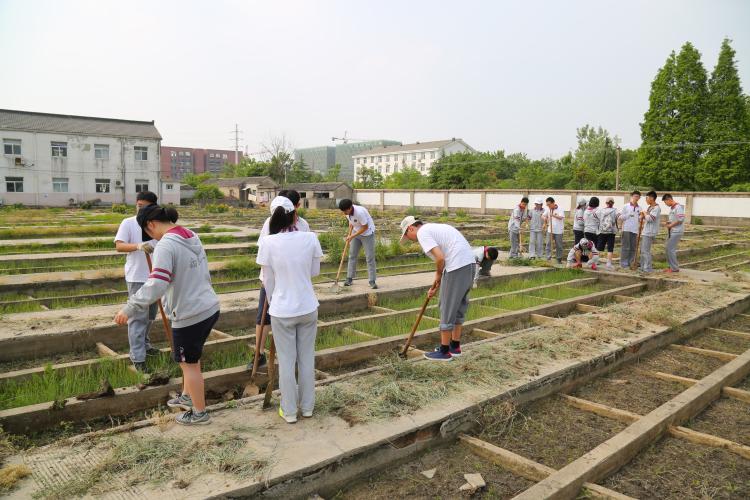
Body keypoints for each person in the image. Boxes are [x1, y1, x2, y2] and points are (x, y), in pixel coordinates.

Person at [115, 205, 220, 426]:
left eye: (148, 233)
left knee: (188, 364)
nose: (151, 238)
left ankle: (199, 413)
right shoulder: (191, 234)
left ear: (151, 224)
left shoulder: (166, 245)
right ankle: (187, 395)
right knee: (192, 357)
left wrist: (130, 307)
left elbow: (156, 284)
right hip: (208, 306)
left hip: (189, 313)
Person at [257, 196, 323, 423]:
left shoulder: (268, 242)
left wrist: (276, 300)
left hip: (282, 310)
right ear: (295, 215)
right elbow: (314, 272)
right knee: (306, 358)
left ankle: (290, 411)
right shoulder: (310, 237)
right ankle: (307, 408)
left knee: (286, 362)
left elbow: (268, 281)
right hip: (307, 306)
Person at [249, 189, 310, 370]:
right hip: (272, 279)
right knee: (264, 317)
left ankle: (294, 358)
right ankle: (258, 353)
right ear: (295, 206)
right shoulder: (270, 222)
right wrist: (267, 279)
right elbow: (263, 250)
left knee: (292, 317)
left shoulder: (303, 225)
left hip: (294, 280)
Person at [400, 216, 474, 361]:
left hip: (457, 267)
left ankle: (444, 351)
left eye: (407, 236)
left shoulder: (423, 232)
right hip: (469, 265)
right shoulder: (435, 228)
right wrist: (437, 283)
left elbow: (440, 258)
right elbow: (446, 258)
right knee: (458, 307)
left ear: (411, 228)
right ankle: (455, 346)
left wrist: (438, 276)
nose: (410, 239)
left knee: (446, 306)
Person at [114, 191, 160, 372]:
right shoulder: (129, 223)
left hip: (156, 276)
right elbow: (119, 245)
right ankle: (138, 357)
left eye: (145, 206)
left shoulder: (156, 224)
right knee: (138, 318)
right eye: (139, 206)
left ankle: (145, 345)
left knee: (150, 316)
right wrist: (138, 246)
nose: (141, 209)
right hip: (137, 276)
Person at [338, 199, 377, 289]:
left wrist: (352, 236)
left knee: (369, 257)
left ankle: (372, 281)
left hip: (367, 234)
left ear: (350, 207)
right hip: (356, 233)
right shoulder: (347, 213)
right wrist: (349, 234)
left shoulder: (359, 212)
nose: (344, 213)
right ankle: (349, 278)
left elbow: (365, 227)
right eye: (343, 211)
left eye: (345, 210)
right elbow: (351, 223)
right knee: (352, 255)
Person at [662, 193, 685, 273]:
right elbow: (675, 219)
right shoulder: (672, 208)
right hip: (672, 231)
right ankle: (670, 267)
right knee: (668, 248)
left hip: (676, 231)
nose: (666, 204)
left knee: (670, 249)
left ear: (669, 199)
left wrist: (671, 225)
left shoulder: (678, 207)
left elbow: (680, 219)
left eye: (665, 202)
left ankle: (674, 268)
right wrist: (668, 222)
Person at [639, 191, 661, 273]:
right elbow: (646, 218)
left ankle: (647, 268)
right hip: (646, 231)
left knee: (645, 251)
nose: (646, 200)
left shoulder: (656, 208)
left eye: (647, 198)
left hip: (650, 232)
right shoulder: (650, 207)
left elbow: (650, 219)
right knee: (643, 250)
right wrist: (642, 215)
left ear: (652, 198)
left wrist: (644, 213)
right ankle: (642, 266)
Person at [618, 191, 642, 269]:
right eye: (635, 196)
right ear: (632, 196)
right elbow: (620, 217)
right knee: (625, 247)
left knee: (633, 247)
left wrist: (641, 218)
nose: (636, 198)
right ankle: (623, 263)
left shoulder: (639, 208)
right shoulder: (626, 206)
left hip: (635, 230)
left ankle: (631, 262)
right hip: (626, 229)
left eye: (638, 197)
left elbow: (639, 219)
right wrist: (628, 215)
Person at [597, 197, 618, 270]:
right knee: (610, 248)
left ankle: (596, 261)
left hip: (602, 231)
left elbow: (598, 219)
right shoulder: (615, 211)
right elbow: (617, 220)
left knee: (599, 247)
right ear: (613, 203)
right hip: (611, 232)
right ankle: (608, 263)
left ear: (606, 203)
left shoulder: (601, 210)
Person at [543, 197, 565, 264]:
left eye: (549, 204)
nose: (548, 206)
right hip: (550, 230)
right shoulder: (547, 209)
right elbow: (543, 216)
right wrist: (545, 218)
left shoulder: (560, 208)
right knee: (548, 244)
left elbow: (561, 217)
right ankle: (548, 257)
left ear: (553, 203)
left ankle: (559, 259)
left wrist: (553, 215)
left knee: (559, 245)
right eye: (547, 205)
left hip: (558, 230)